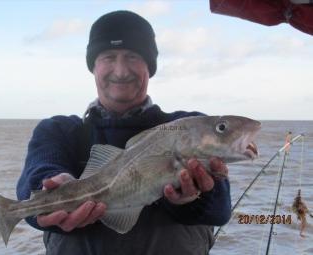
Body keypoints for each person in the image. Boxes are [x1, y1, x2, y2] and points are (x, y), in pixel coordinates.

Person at [17, 10, 231, 255]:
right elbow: (38, 175)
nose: (120, 71)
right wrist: (52, 192)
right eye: (108, 57)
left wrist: (192, 197)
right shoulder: (58, 130)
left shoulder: (186, 126)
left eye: (132, 57)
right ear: (93, 66)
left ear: (149, 67)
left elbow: (220, 210)